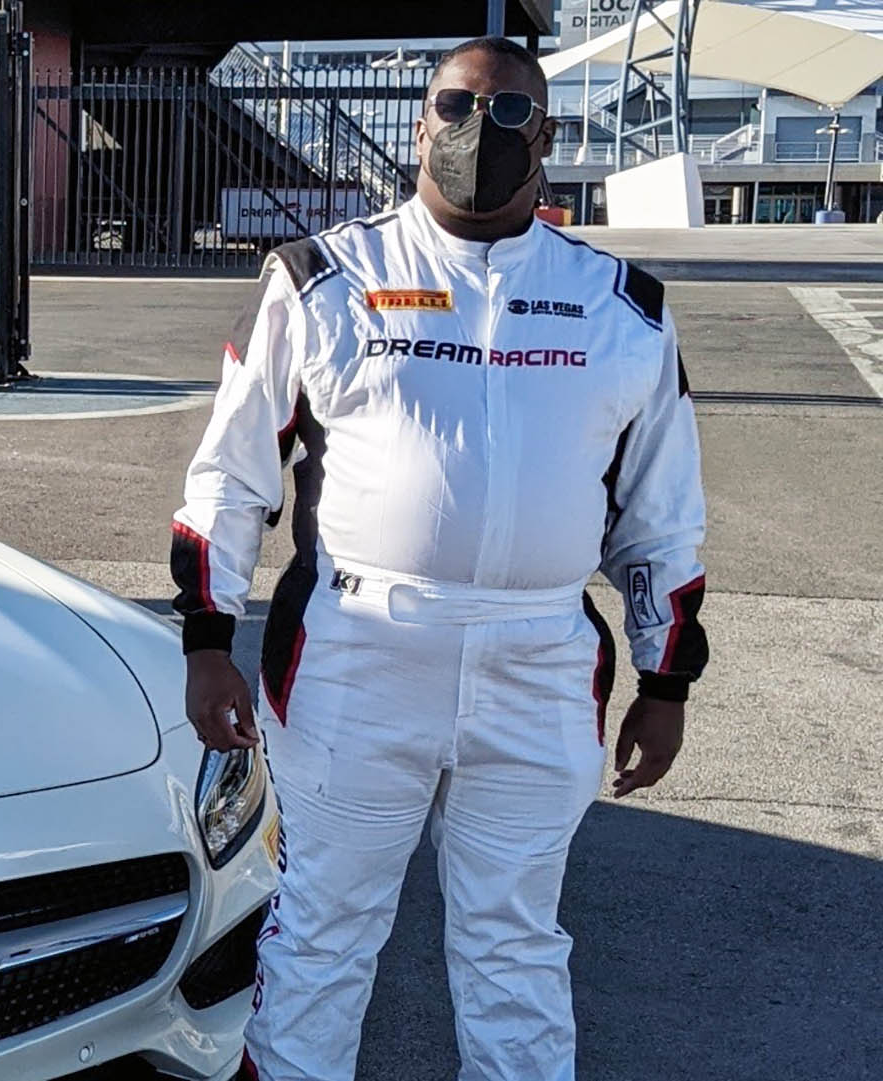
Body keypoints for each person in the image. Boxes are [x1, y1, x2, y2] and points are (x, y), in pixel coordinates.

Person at [169, 37, 708, 1081]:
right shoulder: (323, 278)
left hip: (541, 658)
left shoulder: (622, 307)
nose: (478, 132)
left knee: (516, 946)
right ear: (421, 121)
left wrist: (667, 679)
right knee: (321, 933)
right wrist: (205, 639)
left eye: (509, 114)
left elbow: (663, 517)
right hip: (358, 652)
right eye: (456, 107)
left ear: (546, 137)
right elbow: (230, 479)